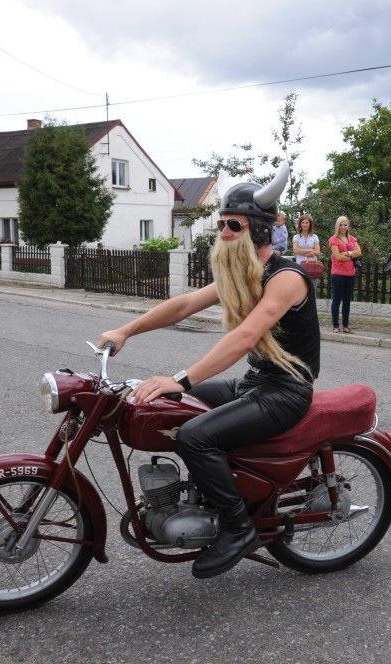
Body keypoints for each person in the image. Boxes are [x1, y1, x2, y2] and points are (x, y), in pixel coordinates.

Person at [97, 164, 319, 579]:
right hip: (255, 383)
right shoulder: (243, 272)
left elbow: (247, 336)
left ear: (258, 230)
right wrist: (126, 330)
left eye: (233, 225)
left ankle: (239, 529)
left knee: (195, 435)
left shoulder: (288, 278)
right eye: (221, 225)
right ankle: (209, 497)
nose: (224, 233)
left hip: (286, 392)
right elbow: (183, 305)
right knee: (175, 409)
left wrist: (180, 378)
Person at [328, 216, 361, 333]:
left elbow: (359, 252)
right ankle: (336, 326)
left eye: (345, 225)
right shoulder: (333, 239)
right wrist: (352, 255)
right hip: (338, 274)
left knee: (347, 300)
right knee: (337, 299)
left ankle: (346, 326)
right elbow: (337, 257)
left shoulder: (352, 239)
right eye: (341, 225)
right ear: (337, 226)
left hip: (350, 274)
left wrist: (347, 253)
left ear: (348, 226)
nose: (343, 227)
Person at [292, 213, 322, 290]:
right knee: (300, 290)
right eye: (303, 222)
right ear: (300, 224)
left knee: (312, 289)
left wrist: (301, 250)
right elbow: (295, 251)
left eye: (307, 222)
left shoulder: (314, 237)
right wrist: (311, 250)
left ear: (310, 224)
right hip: (300, 266)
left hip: (312, 267)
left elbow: (317, 252)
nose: (305, 225)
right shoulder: (296, 237)